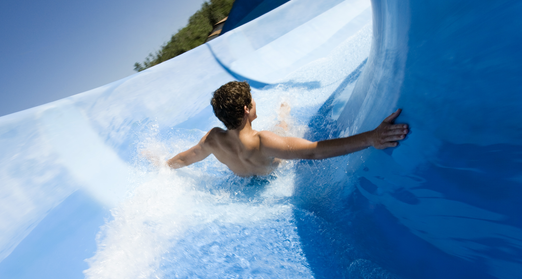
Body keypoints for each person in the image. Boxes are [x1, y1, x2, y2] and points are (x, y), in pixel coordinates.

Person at [163, 81, 409, 177]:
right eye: (253, 100)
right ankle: (284, 115)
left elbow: (188, 157)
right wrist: (371, 138)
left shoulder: (213, 139)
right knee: (283, 130)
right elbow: (314, 151)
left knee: (279, 131)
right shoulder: (263, 141)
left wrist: (164, 166)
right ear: (248, 109)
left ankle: (283, 116)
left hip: (243, 181)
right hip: (272, 170)